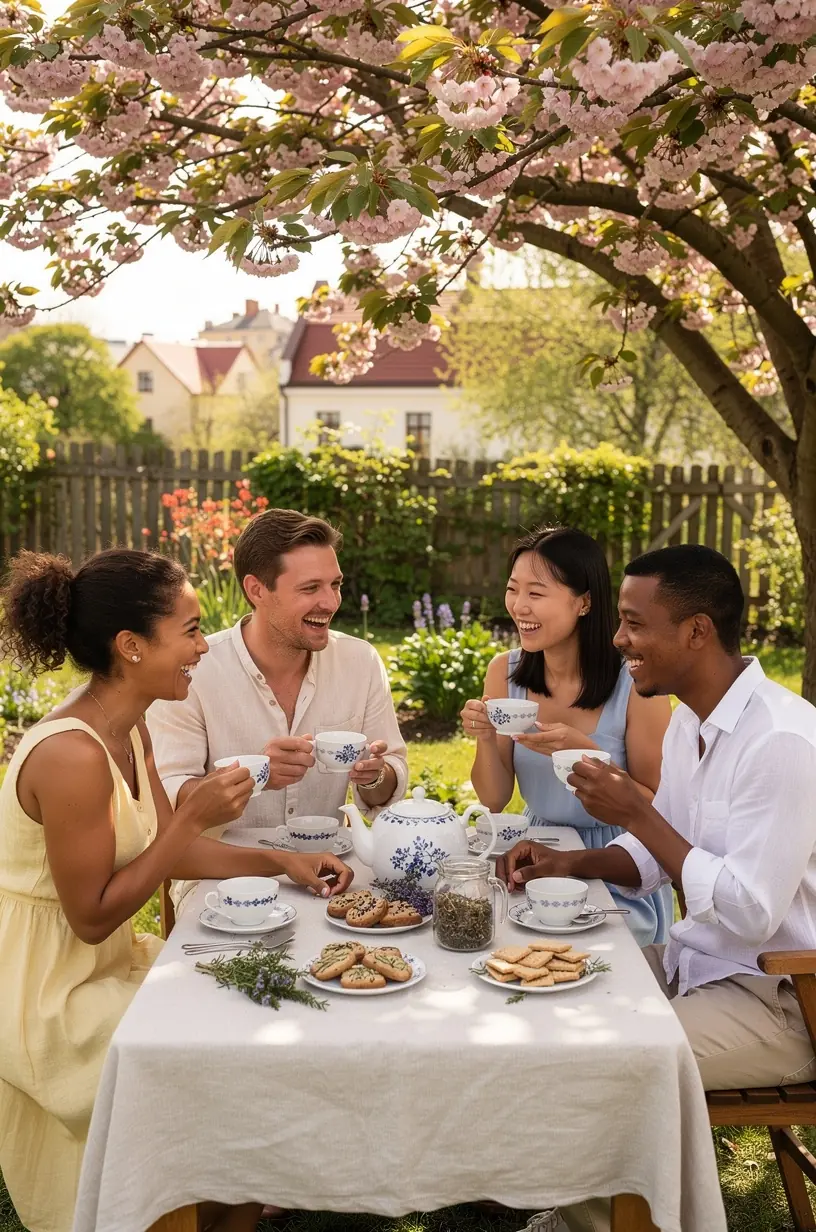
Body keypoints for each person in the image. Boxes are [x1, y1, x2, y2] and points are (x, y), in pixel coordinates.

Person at [0, 549, 353, 1232]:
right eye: (189, 631)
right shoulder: (71, 755)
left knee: (258, 1041)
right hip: (50, 996)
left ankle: (217, 1202)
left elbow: (172, 851)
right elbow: (92, 916)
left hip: (101, 969)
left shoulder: (127, 726)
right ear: (131, 646)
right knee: (224, 1066)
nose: (203, 647)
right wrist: (194, 814)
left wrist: (281, 862)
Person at [500, 544, 816, 1231]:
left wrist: (635, 811)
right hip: (692, 965)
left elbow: (752, 913)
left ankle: (591, 1223)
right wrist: (569, 864)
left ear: (697, 631)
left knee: (608, 1064)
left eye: (635, 623)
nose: (618, 639)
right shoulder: (692, 722)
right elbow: (655, 852)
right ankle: (584, 1208)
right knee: (539, 1011)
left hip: (785, 1000)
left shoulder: (782, 740)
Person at [148, 508, 408, 911]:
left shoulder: (360, 662)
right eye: (310, 588)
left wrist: (375, 776)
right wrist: (256, 776)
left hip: (333, 872)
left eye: (335, 584)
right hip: (222, 881)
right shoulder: (195, 670)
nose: (330, 602)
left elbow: (390, 780)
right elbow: (167, 798)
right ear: (256, 590)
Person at [462, 526, 672, 946]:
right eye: (512, 589)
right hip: (535, 853)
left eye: (536, 593)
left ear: (584, 602)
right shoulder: (504, 671)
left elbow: (660, 809)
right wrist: (485, 737)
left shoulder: (635, 682)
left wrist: (588, 755)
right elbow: (494, 799)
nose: (519, 606)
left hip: (617, 864)